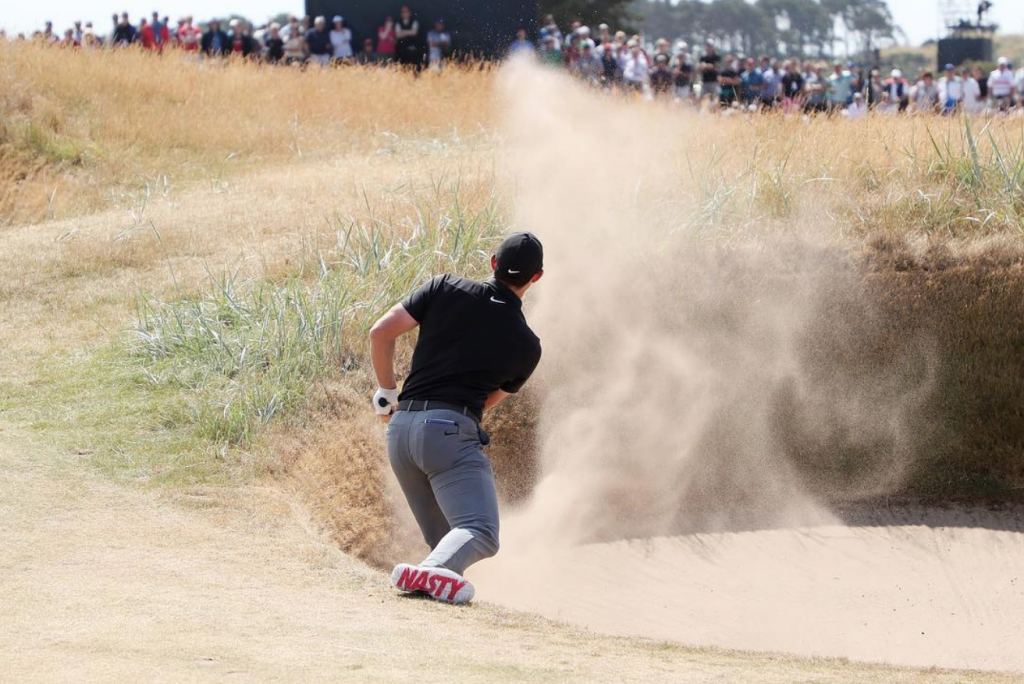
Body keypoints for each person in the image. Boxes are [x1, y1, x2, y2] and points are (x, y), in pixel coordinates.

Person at [370, 232, 544, 605]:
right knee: (479, 531)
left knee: (448, 540)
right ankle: (431, 575)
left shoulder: (444, 286)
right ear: (537, 277)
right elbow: (483, 404)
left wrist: (387, 396)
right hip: (447, 434)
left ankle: (428, 584)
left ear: (493, 262)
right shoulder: (527, 346)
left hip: (400, 434)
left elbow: (381, 332)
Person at [395, 6, 422, 70]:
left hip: (412, 48)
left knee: (413, 66)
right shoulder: (398, 22)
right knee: (401, 66)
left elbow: (414, 32)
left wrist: (403, 31)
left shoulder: (414, 21)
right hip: (401, 49)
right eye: (403, 12)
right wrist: (409, 31)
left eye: (406, 12)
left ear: (409, 13)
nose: (404, 13)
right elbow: (398, 35)